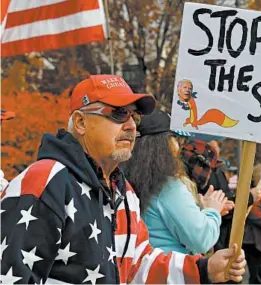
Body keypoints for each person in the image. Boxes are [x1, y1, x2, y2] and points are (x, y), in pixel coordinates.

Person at [0, 75, 246, 284]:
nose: (131, 126)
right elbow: (10, 275)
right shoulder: (45, 181)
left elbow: (137, 265)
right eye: (118, 113)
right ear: (81, 122)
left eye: (134, 116)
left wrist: (204, 269)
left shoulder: (123, 190)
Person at [120, 110, 229, 255]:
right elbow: (201, 240)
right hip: (169, 271)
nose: (179, 147)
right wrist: (212, 210)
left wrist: (201, 210)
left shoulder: (124, 180)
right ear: (164, 145)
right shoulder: (167, 187)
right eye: (176, 139)